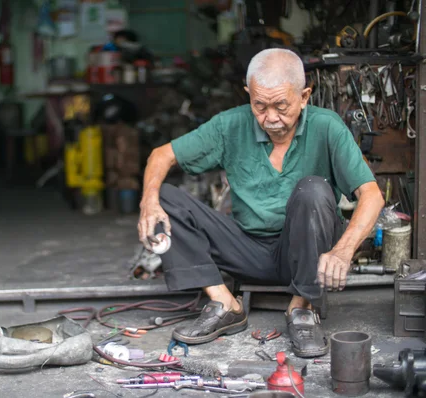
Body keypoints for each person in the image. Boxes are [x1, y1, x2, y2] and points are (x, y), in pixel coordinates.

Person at [137, 48, 384, 358]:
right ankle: (224, 303)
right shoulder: (230, 125)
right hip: (246, 250)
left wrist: (343, 250)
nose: (270, 118)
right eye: (260, 105)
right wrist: (148, 203)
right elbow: (161, 155)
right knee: (163, 196)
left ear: (304, 96)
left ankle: (302, 309)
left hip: (305, 254)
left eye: (281, 105)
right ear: (248, 94)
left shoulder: (327, 127)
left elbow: (371, 195)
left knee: (313, 189)